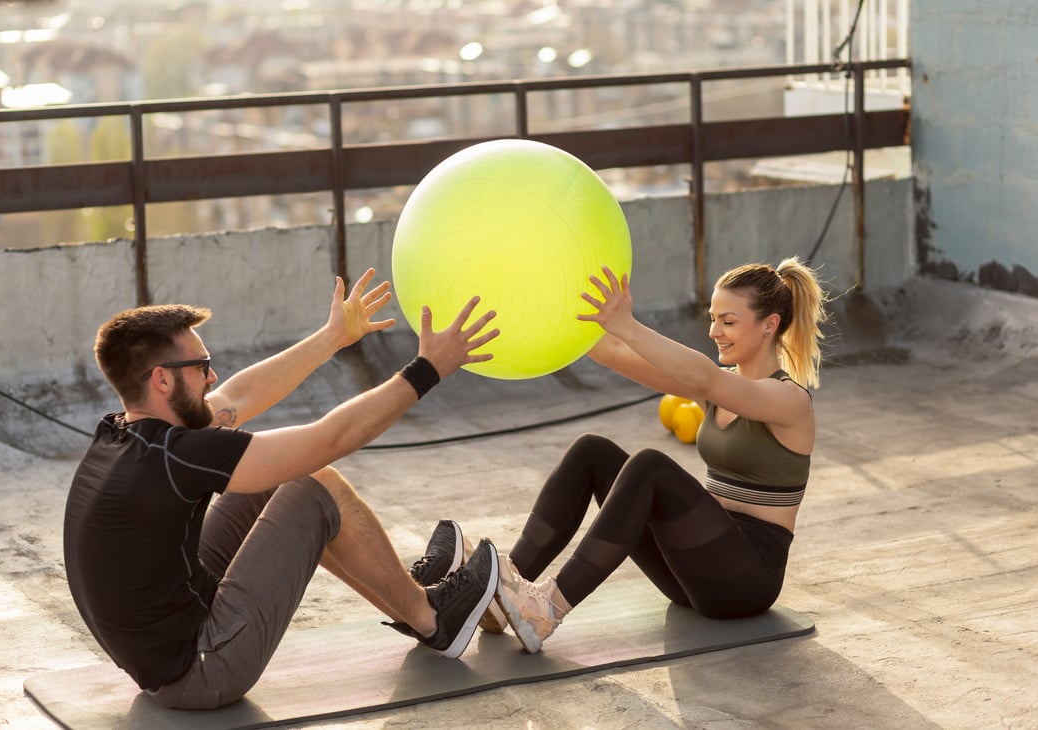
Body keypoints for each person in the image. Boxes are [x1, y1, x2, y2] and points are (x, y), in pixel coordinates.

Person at [63, 268, 503, 710]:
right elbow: (331, 439)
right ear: (162, 379)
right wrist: (429, 370)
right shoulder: (174, 455)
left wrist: (332, 338)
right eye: (201, 367)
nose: (212, 377)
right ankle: (434, 620)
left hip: (164, 648)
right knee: (315, 483)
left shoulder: (123, 433)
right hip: (199, 671)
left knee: (277, 477)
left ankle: (403, 597)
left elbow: (240, 396)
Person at [487, 257, 827, 653]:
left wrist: (628, 324)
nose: (715, 331)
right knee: (592, 450)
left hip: (746, 581)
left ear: (769, 325)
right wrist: (550, 307)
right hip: (695, 572)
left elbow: (702, 377)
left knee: (651, 466)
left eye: (728, 321)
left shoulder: (788, 400)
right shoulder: (719, 389)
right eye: (713, 319)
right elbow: (611, 352)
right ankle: (500, 591)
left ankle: (548, 606)